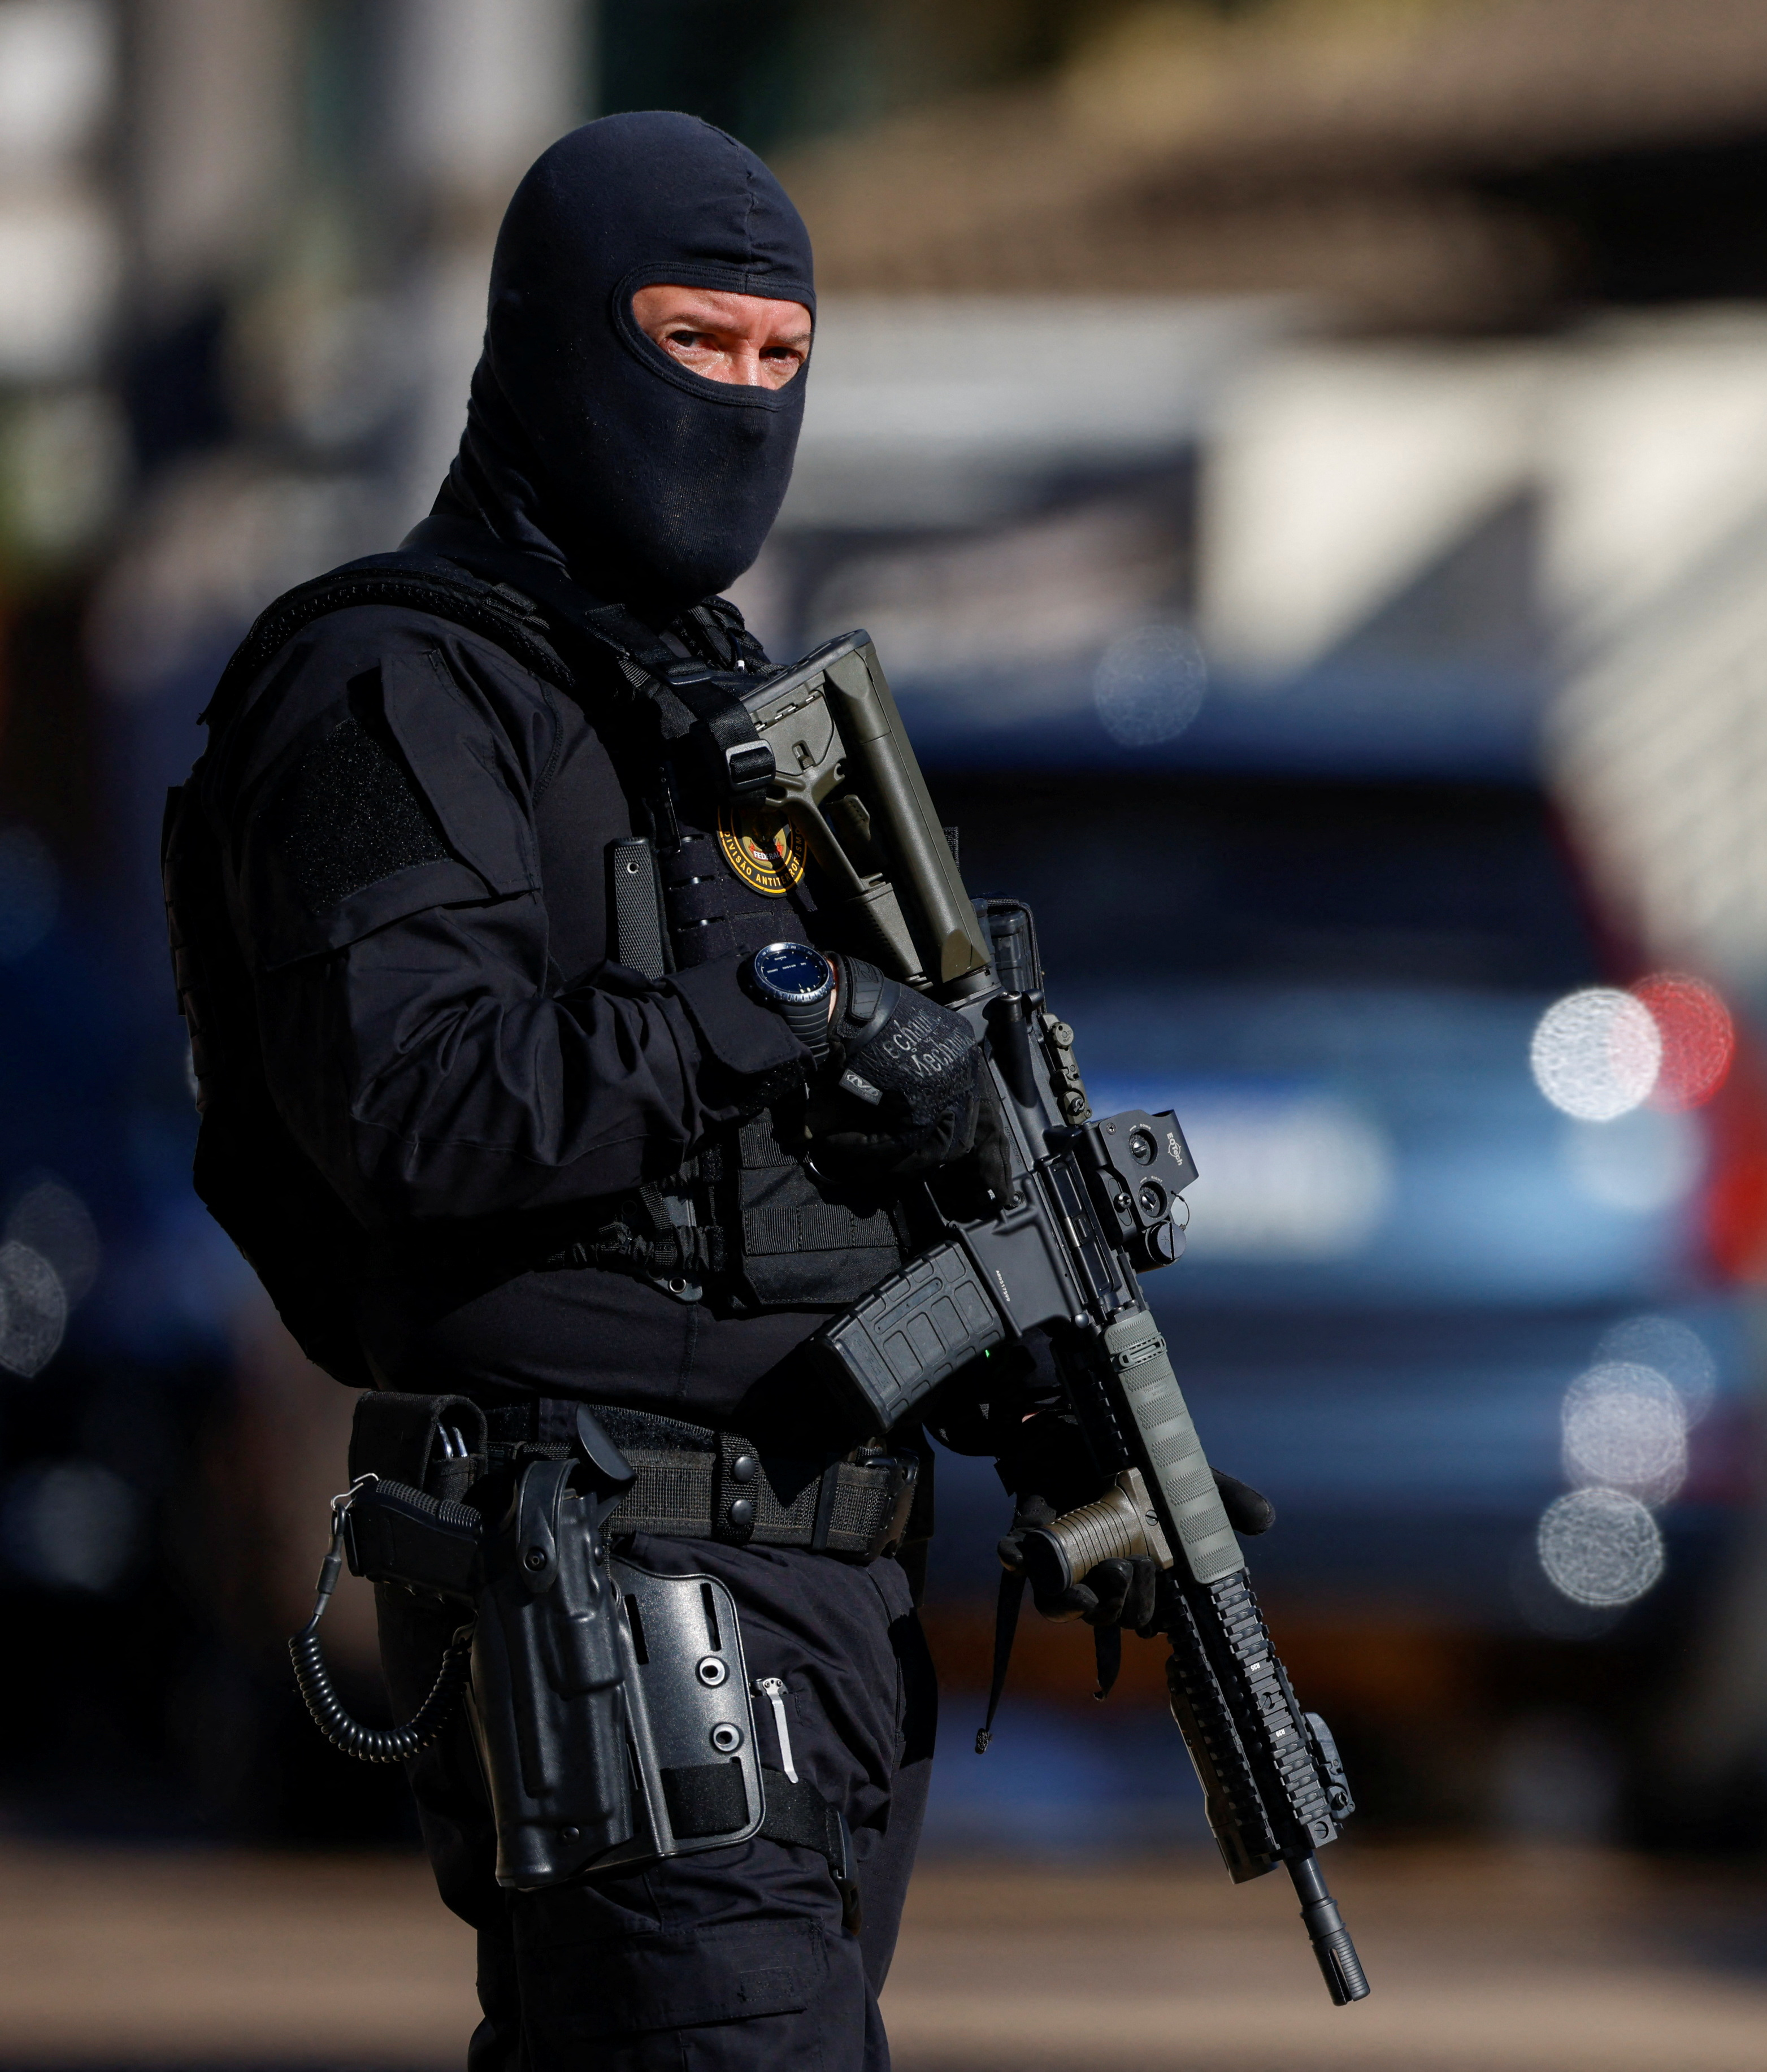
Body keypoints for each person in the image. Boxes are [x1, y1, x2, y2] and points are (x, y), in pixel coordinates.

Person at [162, 113, 1239, 2068]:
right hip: (611, 1566)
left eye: (777, 357)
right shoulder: (395, 686)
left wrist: (1036, 1372)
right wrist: (781, 1001)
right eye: (689, 340)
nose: (737, 399)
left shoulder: (733, 719)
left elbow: (837, 1140)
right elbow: (411, 1104)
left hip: (831, 1603)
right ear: (554, 339)